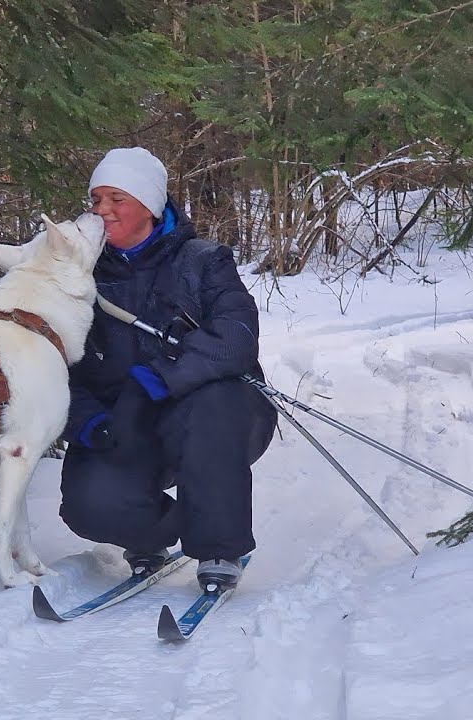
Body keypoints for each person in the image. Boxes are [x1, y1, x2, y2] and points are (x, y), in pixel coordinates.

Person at [59, 147, 278, 589]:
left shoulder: (203, 261)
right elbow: (58, 368)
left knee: (213, 406)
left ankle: (218, 546)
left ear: (150, 206)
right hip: (123, 422)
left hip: (211, 421)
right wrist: (90, 424)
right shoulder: (77, 274)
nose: (102, 209)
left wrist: (159, 379)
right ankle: (151, 535)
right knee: (88, 504)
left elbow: (236, 336)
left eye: (117, 198)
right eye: (96, 199)